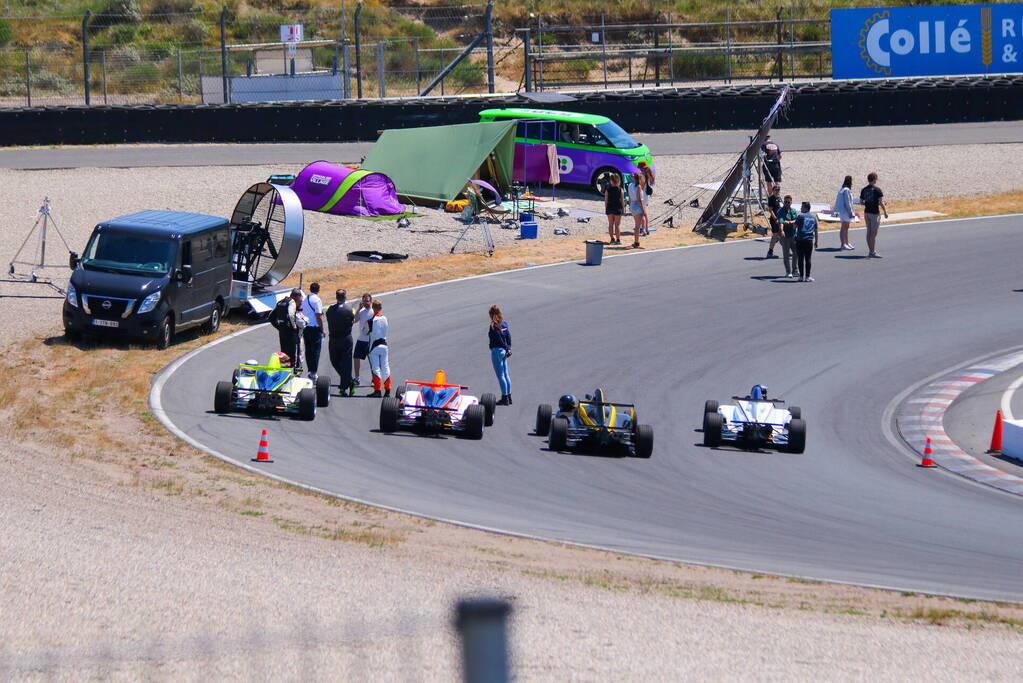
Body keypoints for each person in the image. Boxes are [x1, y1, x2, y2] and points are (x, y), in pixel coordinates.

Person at [326, 288, 355, 396]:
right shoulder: (350, 309)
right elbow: (353, 320)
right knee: (346, 363)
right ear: (345, 297)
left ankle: (344, 387)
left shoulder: (330, 309)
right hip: (346, 338)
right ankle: (350, 381)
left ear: (336, 297)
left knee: (335, 361)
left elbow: (328, 317)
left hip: (334, 339)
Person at [271, 288, 304, 371]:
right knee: (294, 354)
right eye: (300, 300)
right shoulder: (291, 302)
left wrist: (279, 327)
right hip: (291, 332)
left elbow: (271, 316)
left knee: (284, 353)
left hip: (282, 331)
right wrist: (294, 326)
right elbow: (290, 315)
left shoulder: (280, 302)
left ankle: (284, 370)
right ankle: (294, 371)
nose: (300, 302)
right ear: (296, 297)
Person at [300, 281, 325, 381]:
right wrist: (322, 329)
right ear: (318, 290)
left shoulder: (305, 298)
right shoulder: (317, 300)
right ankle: (313, 373)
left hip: (306, 327)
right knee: (315, 351)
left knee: (309, 350)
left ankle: (310, 370)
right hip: (314, 328)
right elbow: (318, 316)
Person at [859, 172, 888, 258]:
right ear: (874, 179)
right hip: (874, 214)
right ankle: (872, 252)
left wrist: (868, 202)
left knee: (868, 232)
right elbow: (881, 202)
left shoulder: (864, 189)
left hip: (867, 213)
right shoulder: (877, 190)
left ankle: (870, 250)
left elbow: (861, 202)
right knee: (873, 234)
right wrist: (885, 211)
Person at [488, 305, 513, 406]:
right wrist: (508, 348)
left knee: (501, 375)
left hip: (497, 351)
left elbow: (499, 339)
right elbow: (508, 336)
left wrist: (506, 348)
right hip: (504, 351)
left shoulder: (493, 326)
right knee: (506, 374)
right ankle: (509, 397)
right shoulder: (504, 324)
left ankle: (504, 398)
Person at [366, 299, 391, 398]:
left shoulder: (370, 320)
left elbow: (365, 331)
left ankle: (377, 390)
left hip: (374, 347)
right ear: (381, 308)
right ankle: (388, 390)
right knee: (385, 367)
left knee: (375, 368)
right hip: (384, 346)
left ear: (373, 308)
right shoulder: (385, 318)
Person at [352, 292, 374, 393]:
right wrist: (358, 309)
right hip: (361, 339)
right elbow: (355, 320)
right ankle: (357, 378)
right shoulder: (361, 311)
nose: (365, 303)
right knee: (356, 357)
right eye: (364, 301)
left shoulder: (373, 312)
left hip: (371, 340)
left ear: (371, 301)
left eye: (367, 301)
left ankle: (374, 379)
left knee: (372, 361)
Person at [793, 201, 819, 282]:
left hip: (800, 239)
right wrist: (816, 241)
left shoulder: (800, 216)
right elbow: (816, 231)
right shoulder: (814, 218)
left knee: (800, 258)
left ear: (806, 208)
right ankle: (807, 277)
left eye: (802, 207)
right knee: (808, 259)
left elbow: (794, 227)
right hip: (809, 240)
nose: (801, 208)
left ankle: (801, 276)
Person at [777, 194, 799, 278]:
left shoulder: (793, 211)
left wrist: (789, 222)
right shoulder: (780, 211)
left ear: (791, 202)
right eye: (785, 202)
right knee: (786, 254)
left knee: (796, 252)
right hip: (785, 236)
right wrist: (782, 230)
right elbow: (781, 222)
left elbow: (797, 220)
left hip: (793, 235)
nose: (786, 203)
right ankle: (788, 271)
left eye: (788, 202)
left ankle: (795, 270)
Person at [835, 175, 856, 250]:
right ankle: (843, 244)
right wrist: (851, 212)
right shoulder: (846, 190)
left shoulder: (842, 189)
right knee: (844, 227)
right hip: (845, 211)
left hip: (842, 211)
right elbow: (848, 202)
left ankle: (846, 242)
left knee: (845, 227)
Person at [604, 173, 624, 244]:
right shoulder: (620, 190)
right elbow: (622, 200)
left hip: (609, 207)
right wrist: (623, 209)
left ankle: (612, 239)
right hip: (618, 208)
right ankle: (618, 240)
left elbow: (606, 201)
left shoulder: (607, 190)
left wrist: (606, 208)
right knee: (617, 225)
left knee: (610, 224)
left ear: (611, 181)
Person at [628, 172, 647, 248]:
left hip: (632, 204)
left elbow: (629, 197)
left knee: (636, 224)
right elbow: (639, 199)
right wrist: (643, 209)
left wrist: (630, 206)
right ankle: (636, 242)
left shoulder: (630, 185)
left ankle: (636, 242)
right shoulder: (638, 187)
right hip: (637, 205)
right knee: (637, 226)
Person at [765, 184, 782, 258]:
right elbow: (770, 210)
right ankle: (770, 252)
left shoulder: (778, 198)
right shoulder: (771, 198)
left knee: (781, 235)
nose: (777, 191)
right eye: (776, 190)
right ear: (773, 190)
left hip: (779, 219)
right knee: (775, 235)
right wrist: (775, 218)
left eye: (778, 190)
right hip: (774, 220)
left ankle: (786, 250)